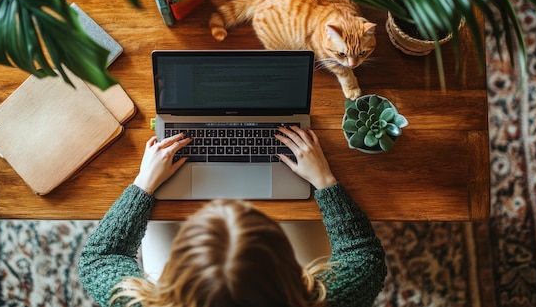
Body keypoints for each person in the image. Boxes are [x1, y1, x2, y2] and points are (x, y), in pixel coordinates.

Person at [78, 125, 386, 307]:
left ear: (178, 276)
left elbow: (98, 259)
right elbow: (365, 259)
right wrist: (325, 181)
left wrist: (144, 184)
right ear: (285, 266)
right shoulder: (322, 301)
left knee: (158, 227)